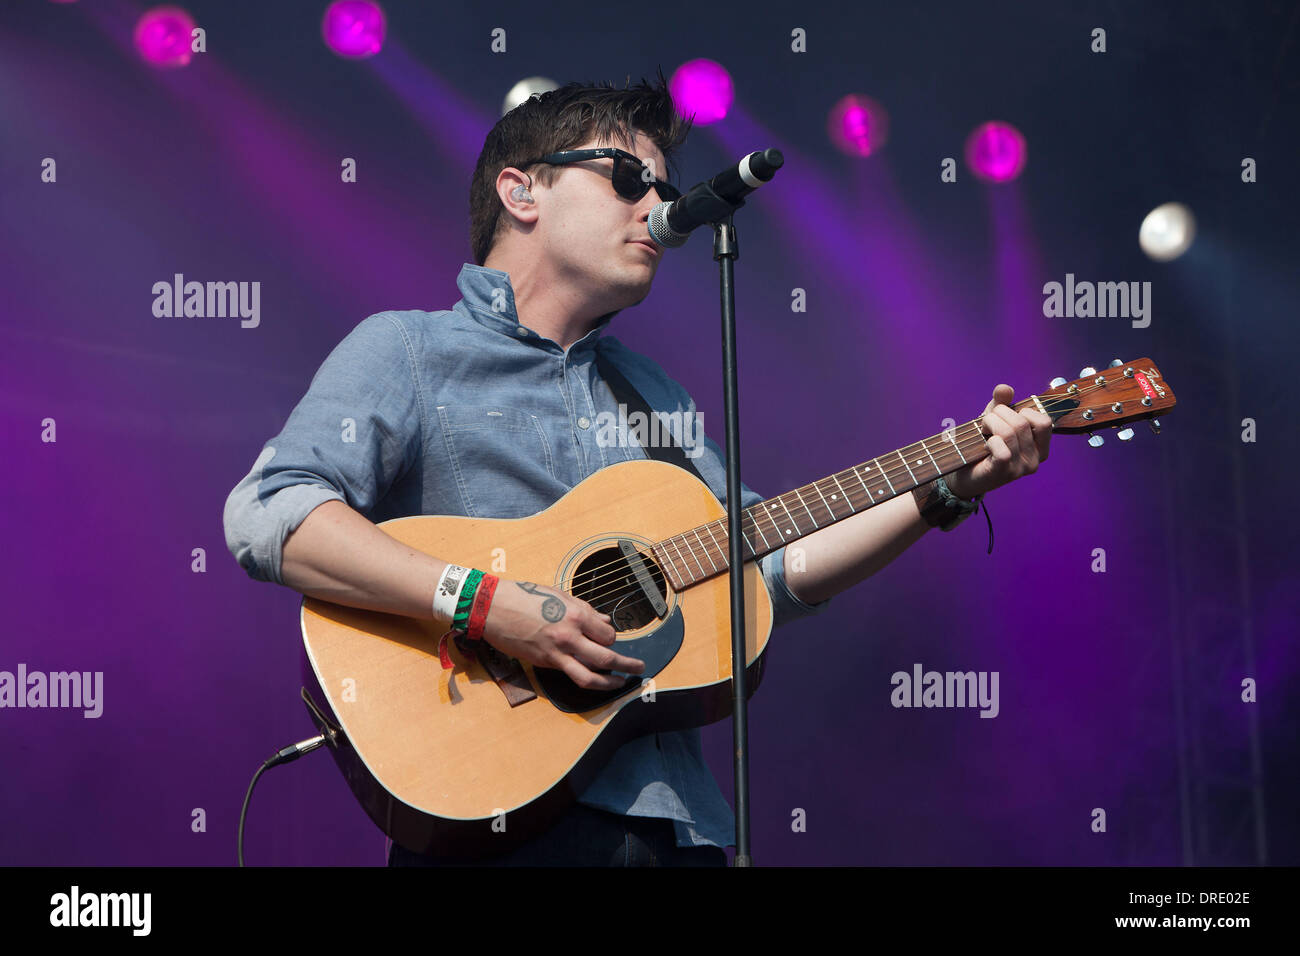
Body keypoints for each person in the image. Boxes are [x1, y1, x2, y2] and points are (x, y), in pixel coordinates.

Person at [222, 72, 1053, 867]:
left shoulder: (650, 393)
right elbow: (269, 513)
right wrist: (484, 605)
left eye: (663, 186)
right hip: (497, 825)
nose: (660, 207)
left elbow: (770, 570)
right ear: (523, 192)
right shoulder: (407, 349)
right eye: (627, 178)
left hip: (677, 835)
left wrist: (951, 483)